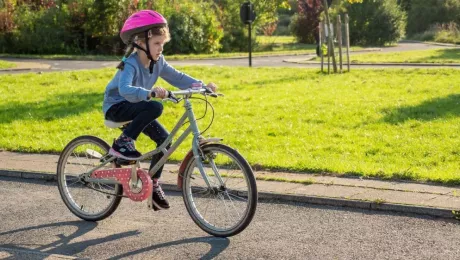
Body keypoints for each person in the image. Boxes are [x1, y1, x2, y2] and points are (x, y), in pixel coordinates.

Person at [102, 10, 217, 211]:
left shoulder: (158, 62)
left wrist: (202, 86)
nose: (160, 49)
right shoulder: (130, 63)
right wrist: (151, 92)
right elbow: (125, 90)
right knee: (155, 106)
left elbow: (177, 77)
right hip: (117, 107)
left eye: (162, 44)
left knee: (165, 140)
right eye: (156, 43)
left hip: (136, 108)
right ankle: (123, 143)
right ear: (140, 42)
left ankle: (153, 185)